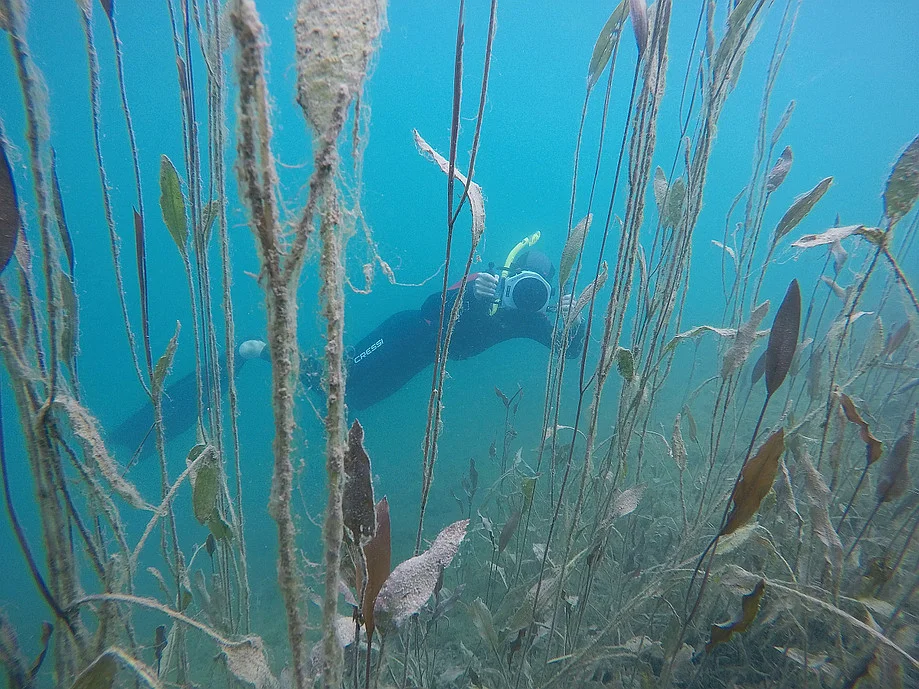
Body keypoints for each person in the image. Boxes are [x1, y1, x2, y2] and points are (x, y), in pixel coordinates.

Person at [112, 239, 584, 454]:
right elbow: (429, 308)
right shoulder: (480, 288)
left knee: (350, 400)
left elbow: (569, 349)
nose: (526, 297)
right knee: (342, 379)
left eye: (537, 290)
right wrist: (467, 292)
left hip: (420, 362)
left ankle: (266, 357)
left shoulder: (530, 319)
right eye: (522, 286)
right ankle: (252, 351)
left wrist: (570, 314)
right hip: (406, 334)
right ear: (509, 273)